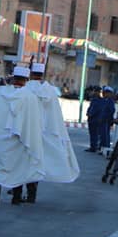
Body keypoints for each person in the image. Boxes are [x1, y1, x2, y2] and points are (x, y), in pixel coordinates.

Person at [0, 66, 45, 205]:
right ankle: (16, 197)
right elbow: (34, 121)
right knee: (19, 166)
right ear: (26, 79)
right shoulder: (30, 97)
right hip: (19, 139)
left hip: (0, 136)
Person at [23, 62, 79, 202]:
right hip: (45, 131)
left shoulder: (25, 89)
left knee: (24, 160)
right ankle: (31, 194)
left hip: (27, 130)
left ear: (30, 74)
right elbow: (55, 114)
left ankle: (17, 192)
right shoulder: (50, 91)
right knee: (37, 161)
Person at [86, 86, 113, 153]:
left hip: (100, 120)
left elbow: (99, 110)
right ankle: (95, 147)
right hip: (94, 119)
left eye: (97, 91)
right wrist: (88, 113)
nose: (95, 92)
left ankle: (101, 148)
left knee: (103, 135)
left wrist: (91, 114)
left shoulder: (104, 101)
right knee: (94, 134)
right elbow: (90, 108)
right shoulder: (95, 99)